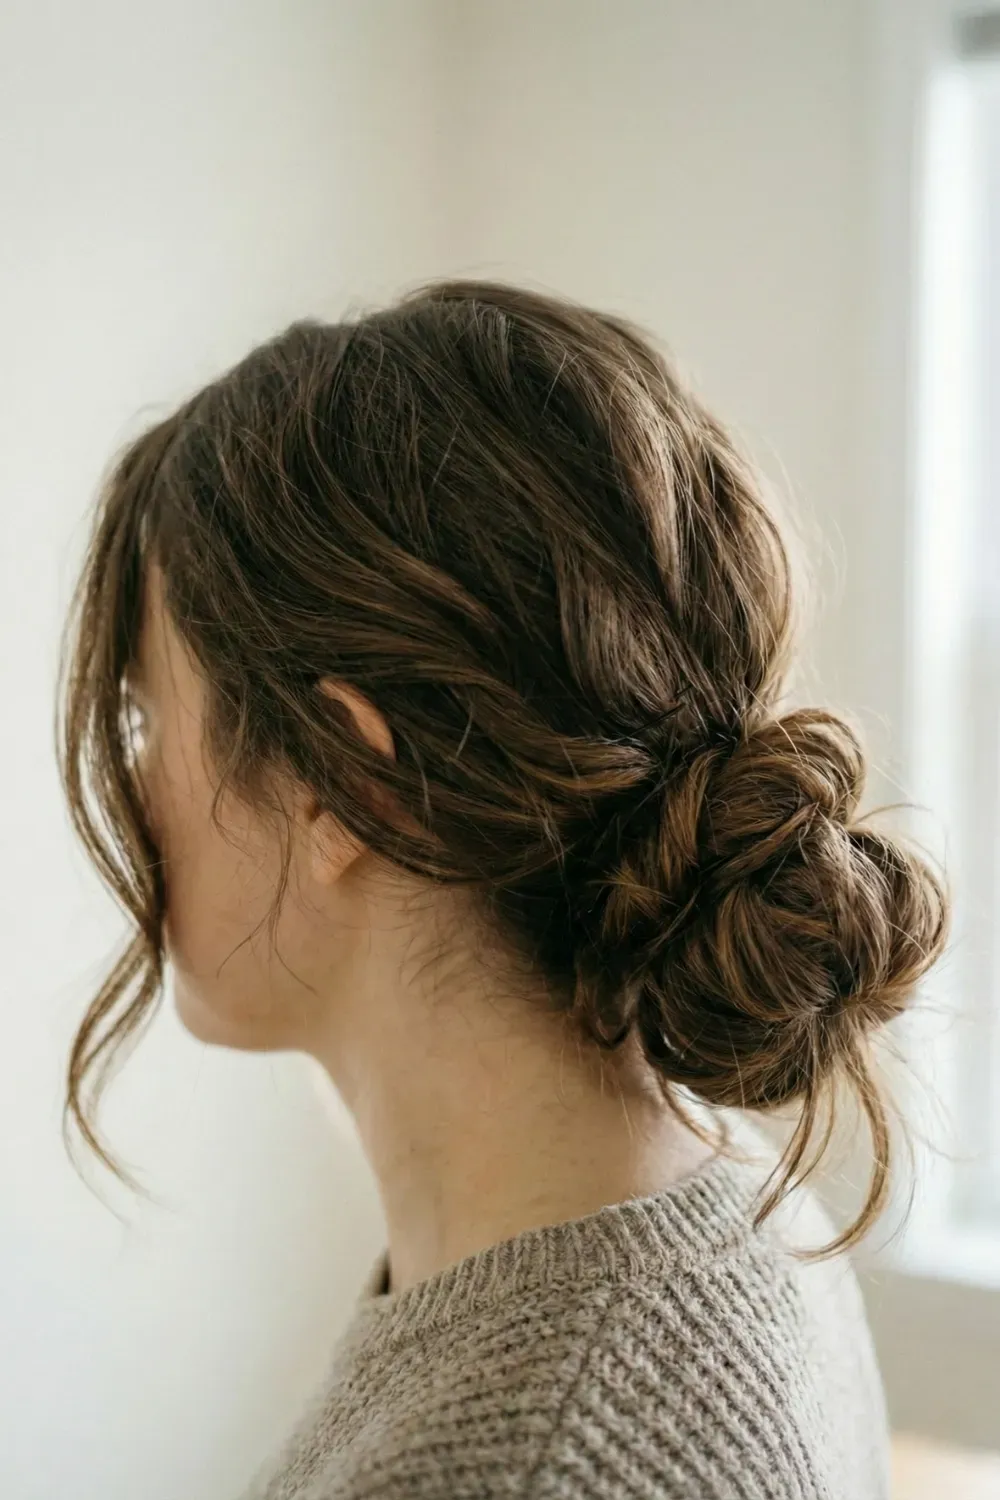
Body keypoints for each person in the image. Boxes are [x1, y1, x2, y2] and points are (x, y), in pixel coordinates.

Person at [59, 280, 947, 1499]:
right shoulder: (725, 1198)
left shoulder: (522, 1459)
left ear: (342, 789)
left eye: (148, 717)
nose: (134, 785)